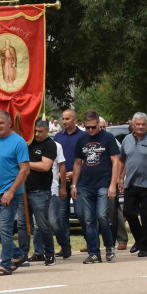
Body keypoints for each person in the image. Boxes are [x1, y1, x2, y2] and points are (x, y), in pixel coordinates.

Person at [0, 110, 31, 276]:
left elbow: (25, 170)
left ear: (9, 123)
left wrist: (11, 192)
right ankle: (17, 254)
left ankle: (5, 264)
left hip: (10, 194)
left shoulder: (19, 142)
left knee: (4, 227)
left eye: (1, 123)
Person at [73, 110, 121, 263]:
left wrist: (113, 184)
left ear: (98, 124)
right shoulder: (81, 139)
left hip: (103, 184)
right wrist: (74, 184)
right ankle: (94, 252)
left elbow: (116, 162)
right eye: (87, 127)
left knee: (102, 216)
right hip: (86, 185)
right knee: (89, 220)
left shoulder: (108, 138)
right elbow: (77, 163)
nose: (90, 130)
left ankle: (109, 247)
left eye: (93, 127)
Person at [118, 113, 147, 257]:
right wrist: (120, 178)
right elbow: (122, 159)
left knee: (146, 216)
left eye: (143, 124)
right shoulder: (127, 139)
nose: (140, 127)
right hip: (131, 183)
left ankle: (143, 247)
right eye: (138, 124)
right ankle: (141, 240)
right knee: (128, 212)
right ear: (133, 125)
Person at [23, 119, 58, 265]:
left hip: (40, 191)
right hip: (24, 190)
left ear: (47, 131)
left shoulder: (50, 144)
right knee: (23, 224)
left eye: (40, 132)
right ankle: (24, 254)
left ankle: (49, 253)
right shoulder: (28, 142)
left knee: (42, 225)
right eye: (35, 131)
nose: (37, 134)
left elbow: (45, 166)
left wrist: (25, 164)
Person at [53, 109, 87, 255]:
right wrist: (60, 176)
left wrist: (75, 173)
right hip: (62, 181)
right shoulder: (57, 136)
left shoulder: (83, 136)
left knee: (81, 213)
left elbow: (87, 158)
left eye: (67, 119)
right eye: (63, 118)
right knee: (62, 215)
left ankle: (90, 241)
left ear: (75, 119)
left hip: (78, 181)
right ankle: (65, 246)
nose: (64, 121)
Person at [49, 138, 72, 257]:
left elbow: (61, 166)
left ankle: (65, 245)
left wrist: (63, 187)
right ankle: (40, 252)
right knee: (38, 225)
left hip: (53, 189)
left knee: (54, 221)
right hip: (36, 190)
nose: (37, 134)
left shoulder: (56, 146)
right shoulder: (30, 146)